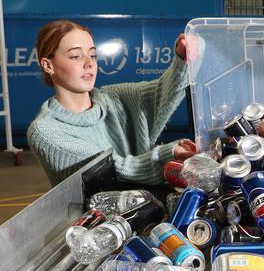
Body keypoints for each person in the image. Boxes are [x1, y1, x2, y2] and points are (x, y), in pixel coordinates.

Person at [28, 19, 197, 188]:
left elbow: (160, 93)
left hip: (147, 205)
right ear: (48, 65)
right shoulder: (45, 131)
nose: (89, 63)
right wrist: (170, 155)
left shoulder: (113, 97)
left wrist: (182, 61)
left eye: (92, 55)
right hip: (100, 213)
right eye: (75, 56)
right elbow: (110, 170)